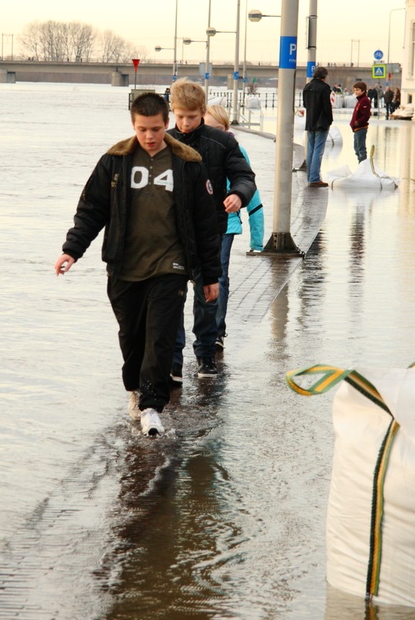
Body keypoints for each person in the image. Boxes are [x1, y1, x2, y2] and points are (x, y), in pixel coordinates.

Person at [55, 91, 221, 437]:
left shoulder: (188, 163)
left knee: (160, 337)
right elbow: (91, 211)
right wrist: (72, 249)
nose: (150, 137)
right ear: (133, 125)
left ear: (167, 125)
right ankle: (135, 390)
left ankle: (151, 405)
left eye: (157, 129)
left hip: (170, 266)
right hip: (124, 265)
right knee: (131, 337)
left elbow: (206, 224)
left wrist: (210, 275)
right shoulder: (114, 161)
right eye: (143, 129)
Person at [167, 80, 257, 380]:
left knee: (207, 294)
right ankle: (173, 361)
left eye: (191, 117)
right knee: (171, 296)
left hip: (210, 231)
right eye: (179, 116)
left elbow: (245, 176)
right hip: (172, 235)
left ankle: (206, 355)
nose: (185, 123)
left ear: (202, 112)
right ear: (172, 112)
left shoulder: (221, 143)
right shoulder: (164, 143)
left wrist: (238, 195)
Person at [203, 104, 264, 350]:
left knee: (220, 276)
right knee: (197, 278)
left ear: (227, 129)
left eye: (217, 129)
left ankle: (217, 330)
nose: (213, 133)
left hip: (226, 224)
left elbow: (252, 191)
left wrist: (257, 239)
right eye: (208, 128)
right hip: (198, 224)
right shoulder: (194, 149)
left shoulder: (237, 152)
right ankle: (203, 326)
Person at [302, 66, 333, 187]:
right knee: (318, 150)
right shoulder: (324, 88)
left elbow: (305, 104)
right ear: (324, 77)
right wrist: (329, 120)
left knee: (310, 149)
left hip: (310, 122)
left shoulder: (307, 87)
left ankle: (310, 176)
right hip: (321, 123)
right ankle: (314, 178)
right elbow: (327, 106)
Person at [350, 81, 371, 162]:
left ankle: (363, 166)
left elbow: (366, 115)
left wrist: (357, 122)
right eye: (355, 90)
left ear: (363, 91)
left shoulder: (364, 101)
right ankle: (361, 165)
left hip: (361, 128)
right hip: (356, 128)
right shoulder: (360, 100)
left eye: (358, 90)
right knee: (356, 147)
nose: (356, 92)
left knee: (360, 148)